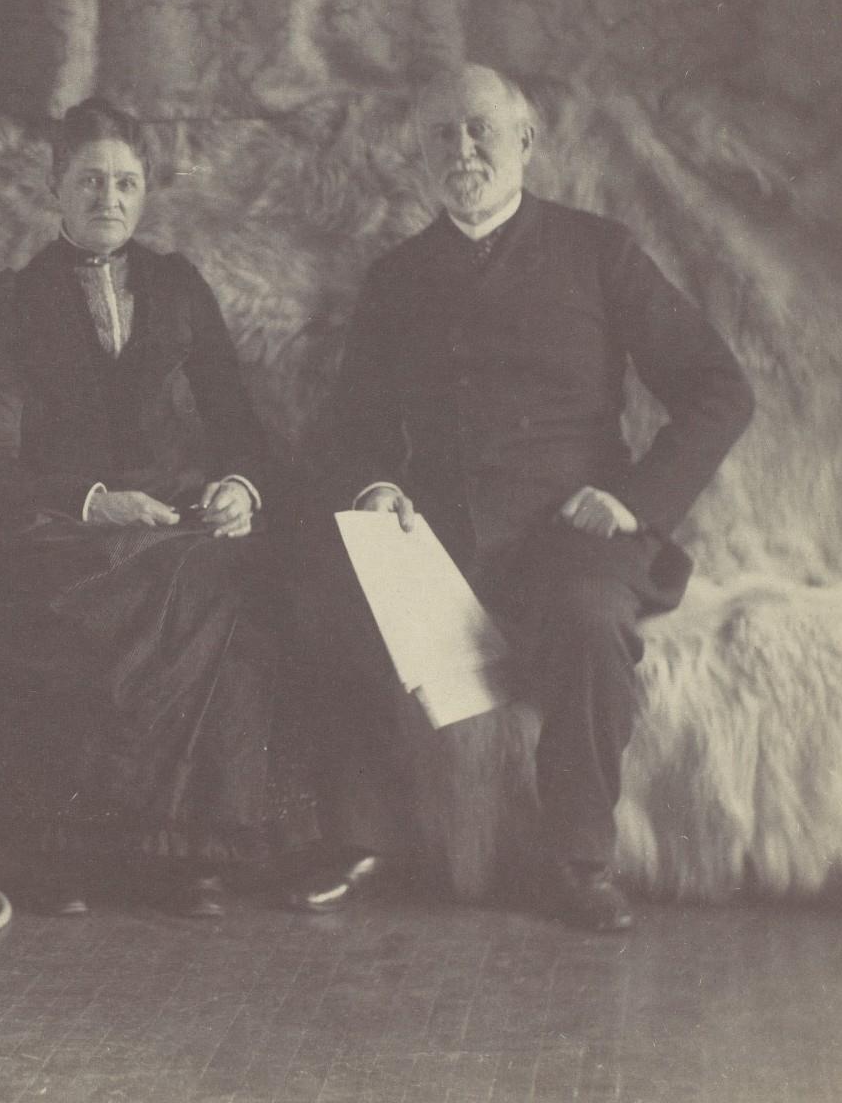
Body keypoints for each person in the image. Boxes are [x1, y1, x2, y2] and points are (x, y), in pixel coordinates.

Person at [321, 64, 755, 931]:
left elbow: (720, 389)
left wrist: (634, 501)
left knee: (591, 616)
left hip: (572, 532)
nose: (463, 149)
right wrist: (378, 487)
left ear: (525, 140)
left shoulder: (599, 252)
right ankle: (351, 842)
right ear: (420, 155)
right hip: (440, 540)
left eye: (480, 128)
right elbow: (351, 428)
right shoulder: (395, 278)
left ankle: (578, 861)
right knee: (312, 596)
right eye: (441, 134)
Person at [0, 97, 364, 918]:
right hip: (58, 520)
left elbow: (238, 427)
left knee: (231, 571)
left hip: (169, 507)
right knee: (131, 584)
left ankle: (191, 851)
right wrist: (92, 502)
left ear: (145, 191)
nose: (108, 198)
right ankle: (73, 851)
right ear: (54, 186)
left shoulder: (177, 286)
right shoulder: (14, 300)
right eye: (89, 180)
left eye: (125, 183)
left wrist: (238, 489)